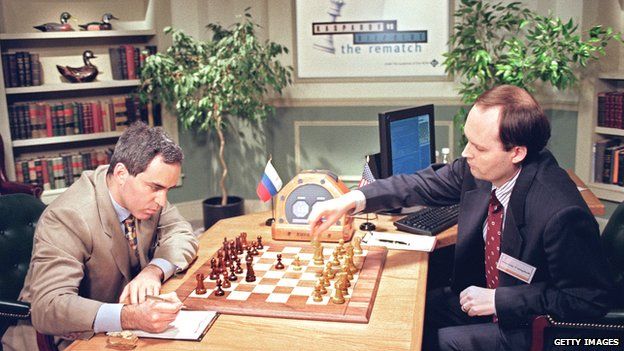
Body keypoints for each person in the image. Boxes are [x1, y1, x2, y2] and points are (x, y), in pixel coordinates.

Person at [308, 85, 614, 350]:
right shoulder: (482, 169)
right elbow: (421, 183)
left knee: (424, 342)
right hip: (480, 296)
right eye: (467, 140)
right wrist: (353, 199)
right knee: (403, 316)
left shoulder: (560, 212)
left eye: (479, 147)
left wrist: (499, 300)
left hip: (527, 327)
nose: (466, 153)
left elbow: (587, 301)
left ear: (517, 152)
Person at [2, 122, 199, 351]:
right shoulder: (68, 216)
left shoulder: (144, 197)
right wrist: (129, 317)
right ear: (121, 174)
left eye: (167, 190)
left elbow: (182, 233)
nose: (162, 201)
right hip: (63, 338)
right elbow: (48, 307)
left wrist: (153, 271)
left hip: (120, 327)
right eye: (155, 188)